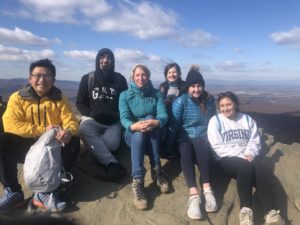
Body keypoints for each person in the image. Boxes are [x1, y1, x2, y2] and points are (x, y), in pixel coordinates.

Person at [0, 59, 80, 213]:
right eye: (37, 75)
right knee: (2, 140)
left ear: (53, 79)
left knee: (73, 141)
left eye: (47, 76)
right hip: (27, 147)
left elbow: (71, 121)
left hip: (51, 148)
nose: (42, 80)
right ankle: (13, 192)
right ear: (30, 78)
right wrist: (42, 129)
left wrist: (68, 131)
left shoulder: (60, 98)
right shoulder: (18, 98)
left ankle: (44, 192)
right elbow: (10, 123)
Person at [207, 91, 285, 225]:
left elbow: (254, 140)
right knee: (246, 165)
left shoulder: (246, 119)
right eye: (222, 106)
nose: (225, 108)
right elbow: (217, 146)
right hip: (226, 159)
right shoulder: (216, 121)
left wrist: (249, 153)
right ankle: (246, 212)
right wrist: (242, 156)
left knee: (258, 166)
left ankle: (272, 213)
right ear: (219, 108)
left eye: (229, 104)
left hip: (247, 156)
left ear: (235, 104)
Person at [166, 66, 218, 220]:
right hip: (185, 137)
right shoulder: (180, 101)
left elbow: (214, 122)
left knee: (202, 144)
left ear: (203, 86)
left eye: (199, 86)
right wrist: (169, 147)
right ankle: (194, 195)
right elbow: (173, 126)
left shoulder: (209, 101)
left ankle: (207, 190)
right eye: (193, 86)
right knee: (186, 147)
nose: (196, 89)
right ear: (188, 87)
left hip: (203, 137)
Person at [119, 64, 169, 210]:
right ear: (133, 77)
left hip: (154, 132)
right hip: (133, 134)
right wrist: (133, 126)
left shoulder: (156, 93)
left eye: (144, 75)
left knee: (149, 120)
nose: (141, 78)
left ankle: (157, 170)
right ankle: (138, 180)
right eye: (137, 75)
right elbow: (124, 117)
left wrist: (156, 122)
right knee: (140, 134)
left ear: (148, 76)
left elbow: (163, 115)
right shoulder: (125, 95)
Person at [76, 48, 128, 179]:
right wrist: (91, 113)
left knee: (112, 145)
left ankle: (94, 152)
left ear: (113, 61)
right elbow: (80, 102)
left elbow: (125, 103)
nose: (105, 60)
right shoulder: (87, 78)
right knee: (82, 128)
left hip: (113, 123)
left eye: (109, 58)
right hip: (93, 120)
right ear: (97, 59)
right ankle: (112, 163)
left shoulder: (120, 79)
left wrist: (116, 116)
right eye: (102, 57)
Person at [159, 63, 186, 157]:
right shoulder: (163, 86)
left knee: (173, 125)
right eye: (169, 72)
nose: (171, 74)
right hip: (165, 114)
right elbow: (159, 102)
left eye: (174, 72)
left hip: (180, 116)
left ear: (179, 73)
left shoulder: (184, 86)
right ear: (166, 75)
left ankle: (168, 150)